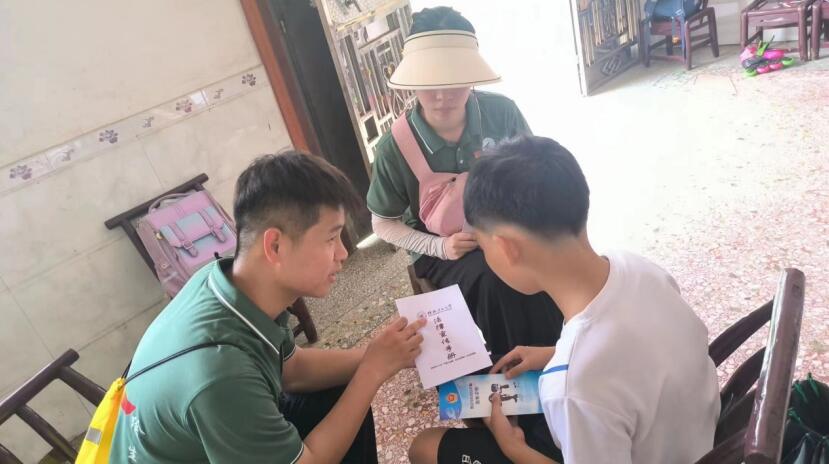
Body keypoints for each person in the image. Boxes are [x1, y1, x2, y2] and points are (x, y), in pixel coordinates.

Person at [410, 135, 721, 463]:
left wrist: (514, 447)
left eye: (483, 247)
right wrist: (554, 353)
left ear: (506, 248)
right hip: (700, 437)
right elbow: (640, 346)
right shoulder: (639, 268)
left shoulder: (573, 389)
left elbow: (587, 385)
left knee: (425, 447)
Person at [109, 152, 425, 463]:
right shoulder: (221, 375)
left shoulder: (226, 283)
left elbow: (293, 371)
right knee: (352, 389)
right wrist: (372, 371)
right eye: (331, 239)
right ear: (275, 246)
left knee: (336, 392)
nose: (342, 254)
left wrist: (382, 355)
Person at [367, 6, 564, 357]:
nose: (443, 95)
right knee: (494, 282)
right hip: (445, 247)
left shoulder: (501, 113)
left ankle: (559, 356)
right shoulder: (394, 147)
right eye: (431, 83)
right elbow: (382, 223)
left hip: (506, 226)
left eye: (455, 80)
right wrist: (441, 247)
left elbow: (534, 172)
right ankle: (514, 369)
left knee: (545, 262)